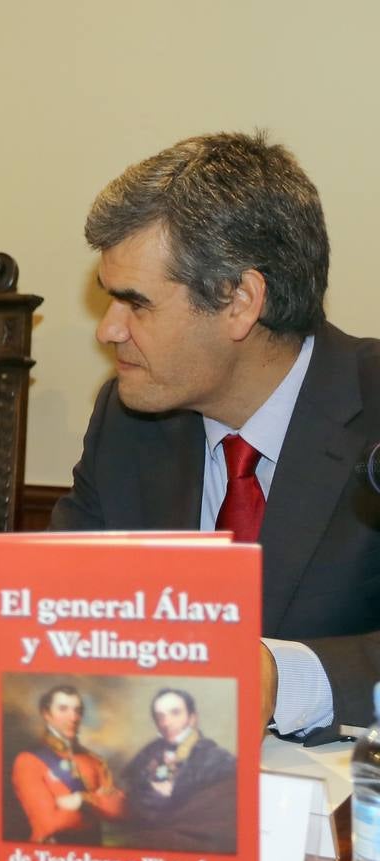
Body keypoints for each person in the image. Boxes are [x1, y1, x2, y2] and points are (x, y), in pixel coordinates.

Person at [49, 131, 380, 744]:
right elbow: (59, 596)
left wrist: (284, 679)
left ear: (239, 301)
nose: (108, 331)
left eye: (135, 304)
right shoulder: (127, 421)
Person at [118, 689, 237, 853]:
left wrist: (171, 792)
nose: (166, 722)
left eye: (175, 713)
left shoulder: (216, 759)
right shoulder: (148, 753)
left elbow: (214, 818)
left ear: (192, 718)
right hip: (148, 842)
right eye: (160, 716)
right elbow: (130, 798)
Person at [10, 686, 125, 845]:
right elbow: (49, 824)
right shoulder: (28, 761)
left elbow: (119, 809)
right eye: (63, 709)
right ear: (46, 714)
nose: (73, 717)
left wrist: (82, 800)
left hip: (93, 854)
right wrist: (98, 806)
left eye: (77, 711)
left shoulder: (94, 760)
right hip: (48, 857)